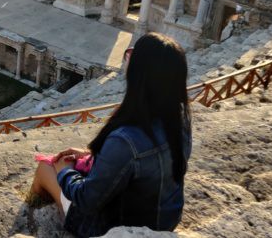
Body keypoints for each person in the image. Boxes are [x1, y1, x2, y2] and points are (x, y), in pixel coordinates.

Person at [30, 32, 192, 237]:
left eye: (132, 54)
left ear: (140, 72)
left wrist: (64, 170)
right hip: (165, 220)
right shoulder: (180, 118)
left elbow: (87, 200)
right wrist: (93, 156)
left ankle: (37, 209)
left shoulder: (125, 140)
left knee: (45, 167)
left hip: (116, 228)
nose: (127, 56)